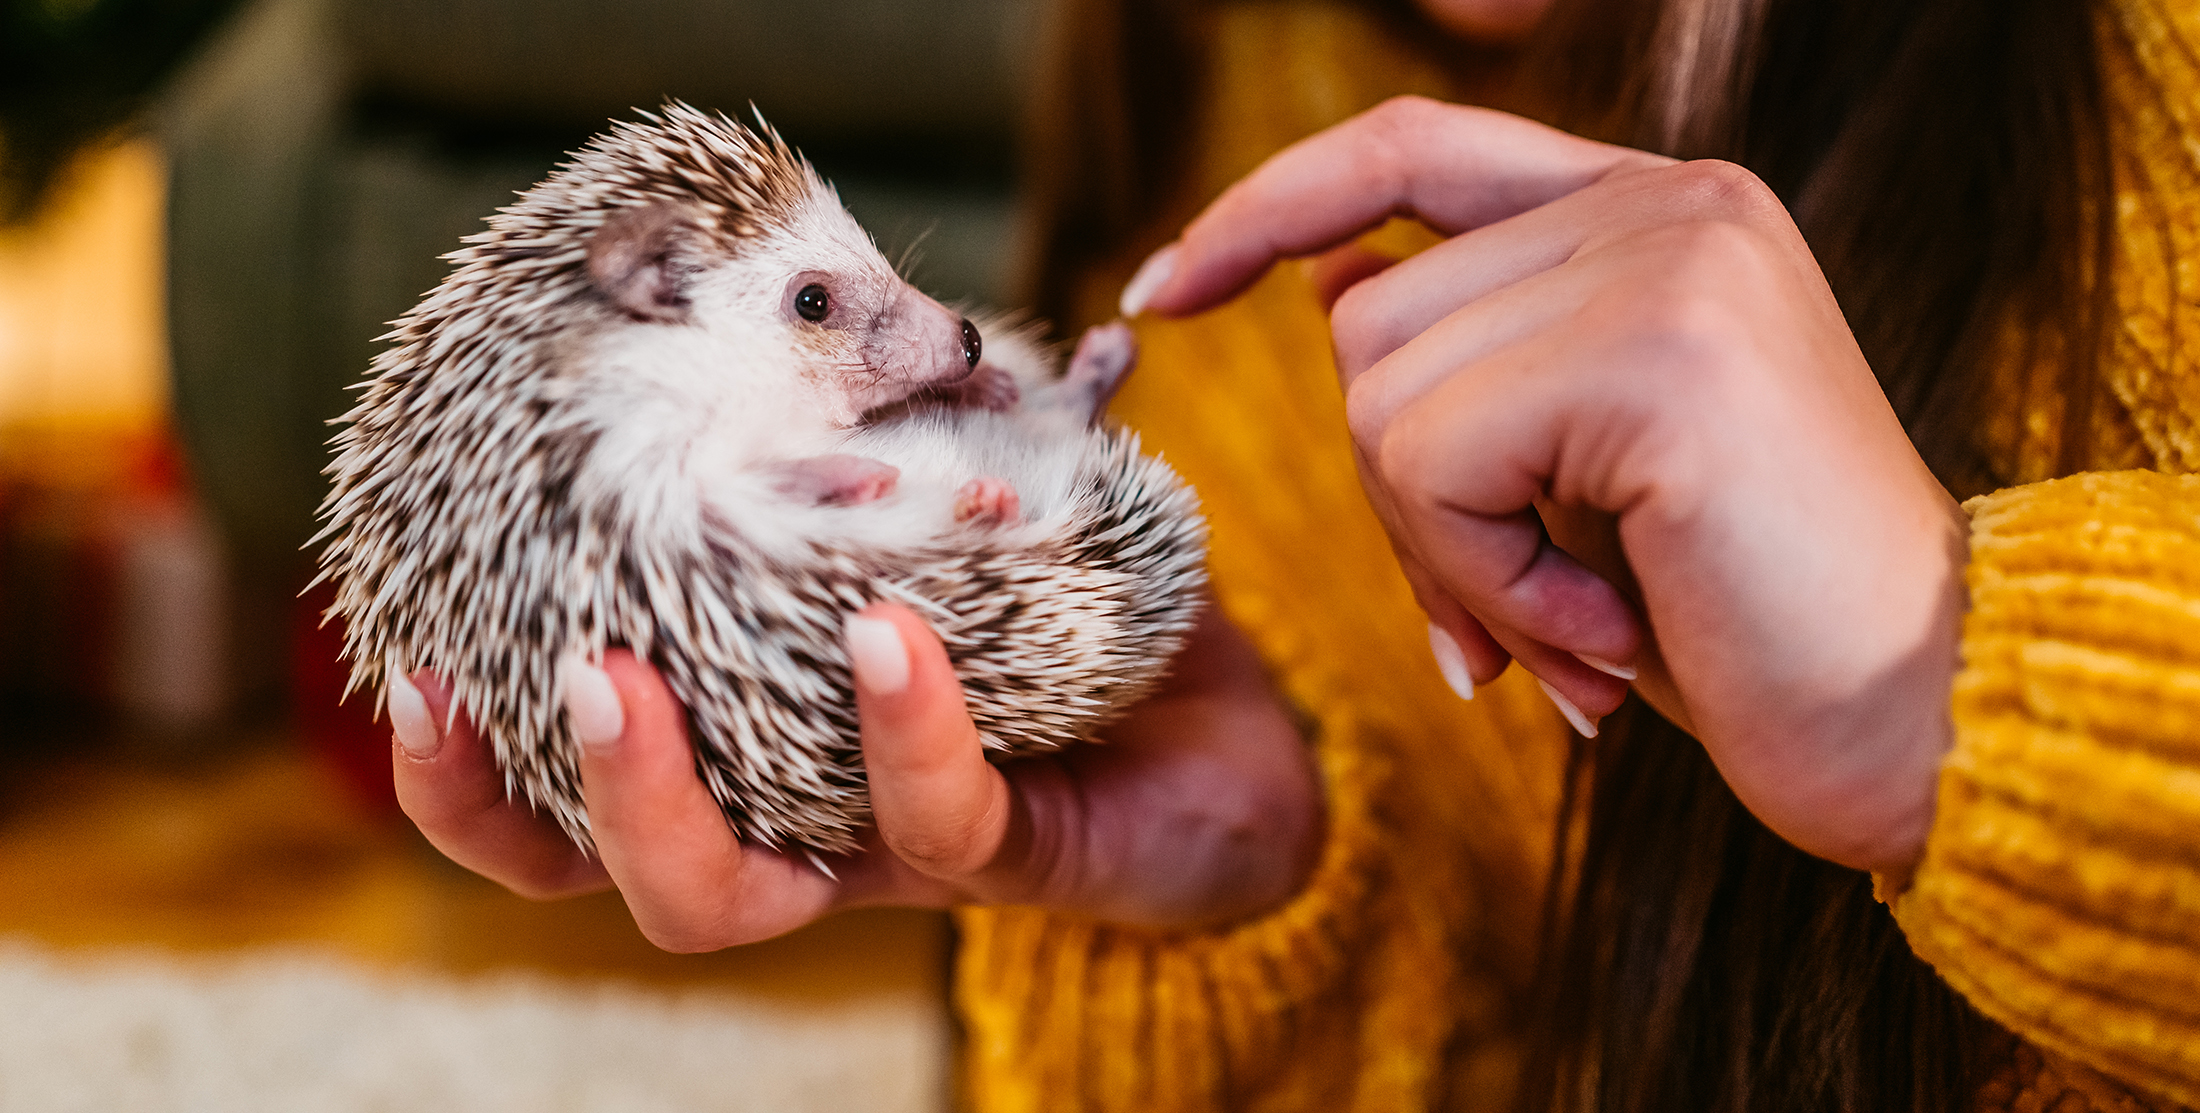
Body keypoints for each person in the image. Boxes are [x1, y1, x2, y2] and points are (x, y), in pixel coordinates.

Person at [387, 0, 2200, 1108]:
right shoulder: (1214, 143)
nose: (927, 337)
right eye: (815, 305)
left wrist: (1955, 691)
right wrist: (1258, 891)